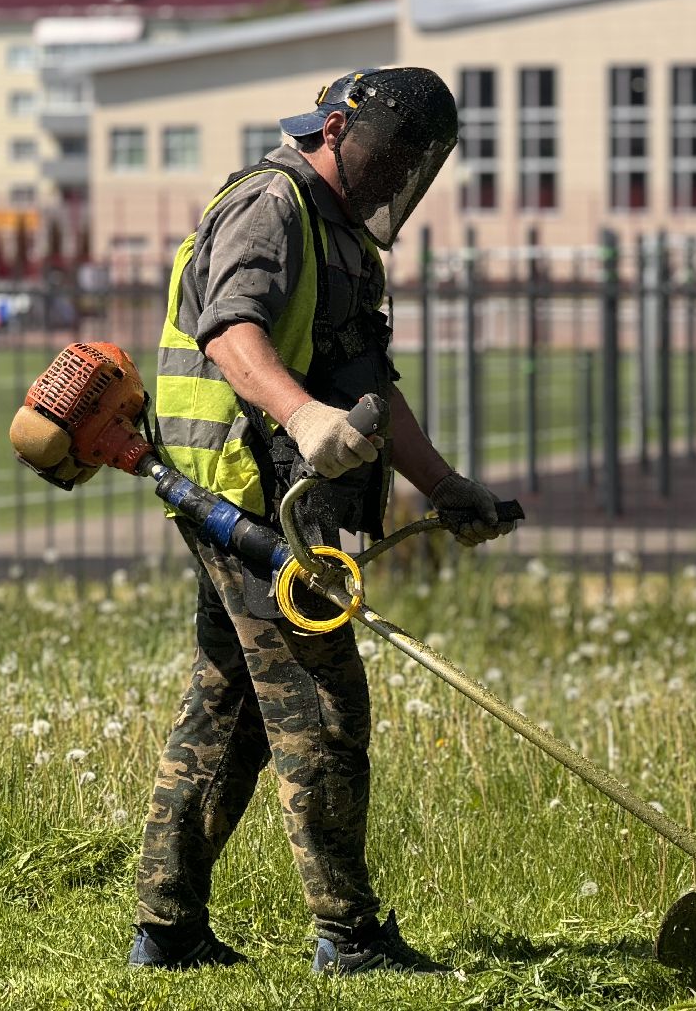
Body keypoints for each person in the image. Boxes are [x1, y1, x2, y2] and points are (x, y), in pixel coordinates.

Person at [130, 67, 515, 974]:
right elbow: (232, 333)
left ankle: (167, 928)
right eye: (387, 159)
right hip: (243, 498)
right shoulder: (271, 206)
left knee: (229, 711)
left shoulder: (346, 241)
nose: (393, 183)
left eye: (411, 169)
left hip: (277, 500)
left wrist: (444, 485)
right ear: (336, 129)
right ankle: (346, 933)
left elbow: (373, 387)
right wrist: (303, 419)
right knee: (324, 704)